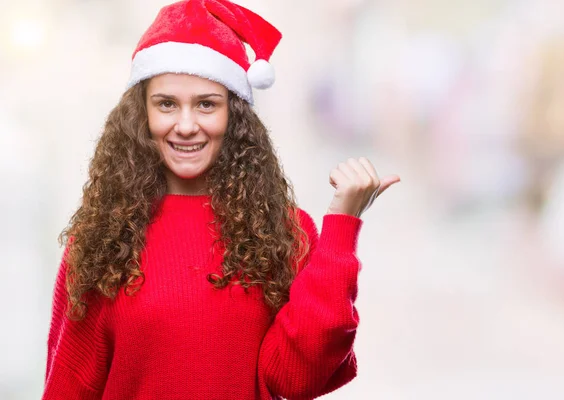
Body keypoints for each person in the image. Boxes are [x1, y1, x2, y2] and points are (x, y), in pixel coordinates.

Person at [42, 1, 400, 399]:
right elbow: (67, 388)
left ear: (234, 115)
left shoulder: (282, 231)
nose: (186, 125)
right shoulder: (100, 240)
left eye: (206, 104)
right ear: (141, 114)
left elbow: (299, 377)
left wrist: (342, 225)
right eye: (166, 104)